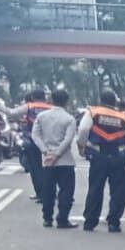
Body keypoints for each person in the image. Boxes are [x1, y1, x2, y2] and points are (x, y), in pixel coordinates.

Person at [76, 89, 125, 233]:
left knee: (95, 188)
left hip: (99, 156)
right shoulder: (123, 116)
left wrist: (82, 147)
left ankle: (90, 222)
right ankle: (114, 222)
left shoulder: (93, 112)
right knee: (118, 191)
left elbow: (83, 130)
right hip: (119, 156)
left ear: (101, 100)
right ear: (114, 101)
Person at [32, 88, 81, 228]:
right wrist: (57, 154)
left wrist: (45, 151)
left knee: (48, 190)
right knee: (66, 190)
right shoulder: (69, 118)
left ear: (51, 100)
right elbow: (68, 139)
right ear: (66, 101)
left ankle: (47, 218)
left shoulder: (42, 116)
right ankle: (62, 219)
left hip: (47, 160)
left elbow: (35, 135)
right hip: (65, 160)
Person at [17, 87, 52, 202]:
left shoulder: (28, 108)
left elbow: (19, 120)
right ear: (45, 97)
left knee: (35, 169)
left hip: (32, 143)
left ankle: (41, 193)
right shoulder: (51, 108)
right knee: (49, 169)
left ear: (32, 97)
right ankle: (49, 193)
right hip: (49, 143)